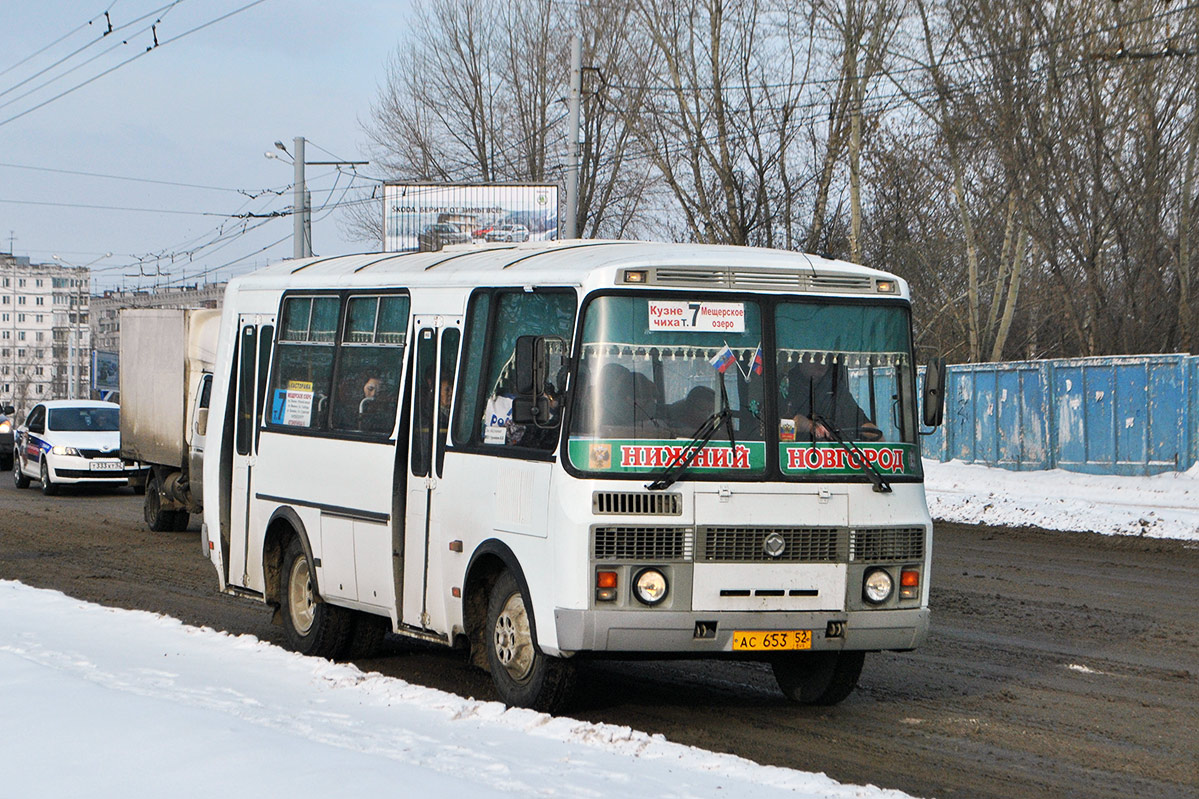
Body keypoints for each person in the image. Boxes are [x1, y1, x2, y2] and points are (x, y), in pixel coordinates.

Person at [783, 356, 882, 441]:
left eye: (826, 358)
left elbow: (860, 422)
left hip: (833, 455)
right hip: (793, 456)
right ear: (802, 358)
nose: (822, 363)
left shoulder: (834, 387)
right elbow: (783, 425)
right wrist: (808, 426)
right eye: (816, 357)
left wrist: (878, 437)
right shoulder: (785, 384)